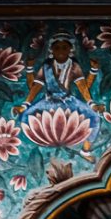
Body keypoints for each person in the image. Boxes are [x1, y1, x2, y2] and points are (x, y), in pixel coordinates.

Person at [13, 31, 103, 161]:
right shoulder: (46, 66)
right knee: (25, 117)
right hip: (48, 100)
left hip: (68, 100)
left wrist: (92, 104)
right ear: (52, 50)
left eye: (64, 48)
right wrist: (24, 105)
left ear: (70, 50)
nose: (61, 51)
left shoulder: (74, 66)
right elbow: (35, 87)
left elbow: (83, 87)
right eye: (57, 48)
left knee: (95, 118)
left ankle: (85, 150)